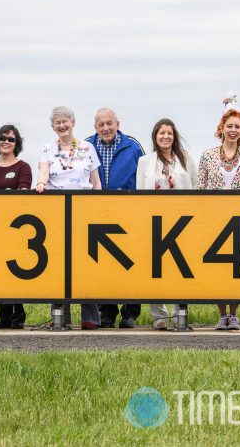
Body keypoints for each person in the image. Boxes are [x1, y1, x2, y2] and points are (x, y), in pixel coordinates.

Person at [36, 106, 102, 330]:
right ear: (53, 127)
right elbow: (43, 171)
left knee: (86, 260)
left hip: (84, 206)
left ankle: (90, 317)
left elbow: (96, 182)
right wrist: (41, 183)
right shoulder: (47, 148)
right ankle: (59, 315)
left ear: (73, 122)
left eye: (65, 121)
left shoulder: (87, 147)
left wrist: (99, 205)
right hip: (56, 207)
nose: (62, 126)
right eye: (57, 123)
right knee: (57, 261)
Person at [197, 97, 240, 330]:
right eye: (229, 126)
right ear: (221, 128)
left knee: (237, 269)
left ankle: (234, 314)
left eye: (237, 127)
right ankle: (222, 314)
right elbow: (200, 188)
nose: (233, 131)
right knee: (218, 268)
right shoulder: (208, 155)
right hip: (214, 219)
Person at [86, 107, 145, 329]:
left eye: (109, 123)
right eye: (101, 124)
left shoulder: (132, 146)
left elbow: (143, 175)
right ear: (95, 127)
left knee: (131, 262)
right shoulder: (86, 145)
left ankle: (130, 312)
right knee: (103, 263)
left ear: (118, 124)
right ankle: (107, 310)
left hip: (129, 212)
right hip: (98, 213)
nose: (106, 128)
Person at [137, 118, 198, 330]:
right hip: (154, 221)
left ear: (174, 137)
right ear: (155, 136)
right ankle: (158, 315)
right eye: (161, 133)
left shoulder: (186, 159)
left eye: (169, 133)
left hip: (181, 220)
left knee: (180, 268)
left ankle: (179, 312)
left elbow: (194, 185)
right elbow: (139, 192)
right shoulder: (145, 162)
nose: (165, 137)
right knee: (156, 269)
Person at [0, 124, 33, 329]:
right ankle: (3, 314)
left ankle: (18, 313)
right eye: (3, 138)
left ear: (17, 143)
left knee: (14, 271)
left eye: (11, 139)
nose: (6, 142)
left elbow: (22, 195)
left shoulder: (23, 167)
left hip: (15, 227)